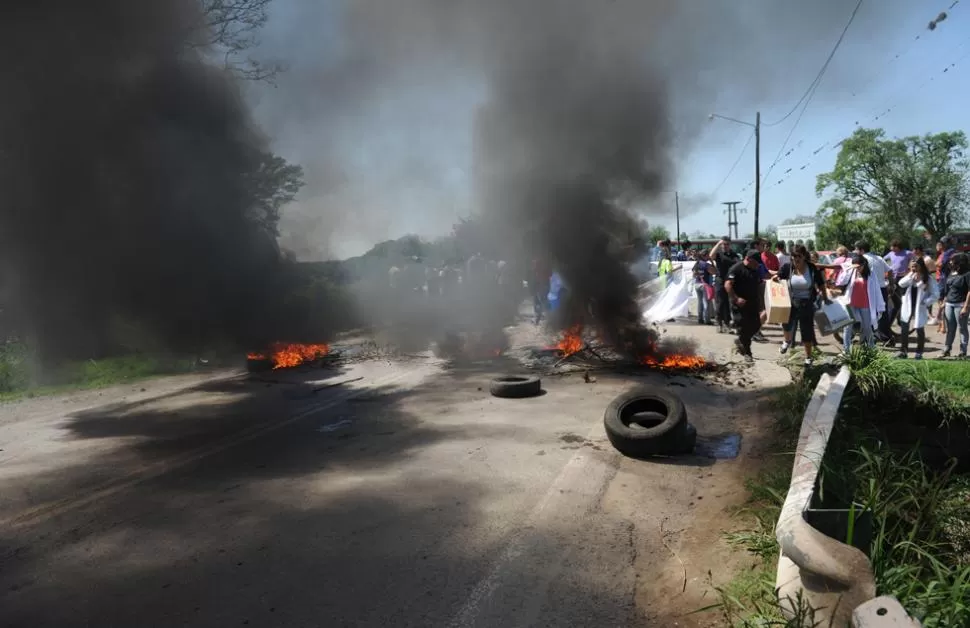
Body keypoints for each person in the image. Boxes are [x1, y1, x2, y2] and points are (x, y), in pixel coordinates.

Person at [773, 244, 828, 367]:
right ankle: (787, 341)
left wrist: (826, 298)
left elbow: (821, 284)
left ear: (804, 256)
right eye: (793, 256)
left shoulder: (812, 268)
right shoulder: (788, 267)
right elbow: (778, 276)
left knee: (806, 330)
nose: (796, 259)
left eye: (799, 256)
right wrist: (776, 278)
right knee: (786, 323)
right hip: (791, 300)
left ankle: (808, 357)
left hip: (807, 302)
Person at [837, 254, 885, 353]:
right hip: (851, 303)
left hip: (865, 304)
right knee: (847, 327)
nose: (857, 269)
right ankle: (846, 350)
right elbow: (840, 281)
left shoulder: (871, 274)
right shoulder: (851, 272)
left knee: (867, 327)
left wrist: (880, 305)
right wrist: (848, 269)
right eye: (855, 267)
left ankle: (871, 348)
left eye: (859, 267)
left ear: (864, 264)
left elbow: (876, 290)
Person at [725, 250, 767, 360]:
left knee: (756, 325)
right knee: (744, 328)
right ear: (748, 259)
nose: (757, 264)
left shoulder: (754, 269)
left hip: (753, 303)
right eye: (756, 262)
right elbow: (728, 285)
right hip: (740, 304)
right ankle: (747, 353)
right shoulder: (736, 269)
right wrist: (736, 298)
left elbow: (758, 282)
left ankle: (740, 341)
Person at [896, 256, 938, 360]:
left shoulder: (928, 278)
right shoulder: (911, 275)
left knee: (919, 328)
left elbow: (935, 294)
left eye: (915, 266)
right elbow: (901, 284)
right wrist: (911, 274)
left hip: (920, 306)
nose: (913, 268)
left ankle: (919, 352)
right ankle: (903, 351)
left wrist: (926, 302)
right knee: (904, 328)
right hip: (908, 305)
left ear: (920, 266)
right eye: (911, 266)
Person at [854, 240, 892, 344]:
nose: (855, 251)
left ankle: (868, 338)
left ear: (861, 250)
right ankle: (886, 337)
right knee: (882, 313)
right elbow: (889, 270)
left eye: (856, 249)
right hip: (882, 288)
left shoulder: (863, 260)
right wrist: (891, 285)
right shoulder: (879, 258)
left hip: (870, 289)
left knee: (868, 313)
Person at [940, 252, 970, 359]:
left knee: (962, 328)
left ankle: (963, 351)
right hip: (949, 303)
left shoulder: (967, 274)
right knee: (950, 328)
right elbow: (948, 289)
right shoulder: (951, 273)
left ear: (959, 262)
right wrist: (944, 301)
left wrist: (966, 306)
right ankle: (947, 349)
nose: (950, 262)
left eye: (952, 260)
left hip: (960, 304)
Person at [711, 237, 739, 333]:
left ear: (730, 245)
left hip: (730, 281)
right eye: (723, 244)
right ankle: (719, 323)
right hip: (720, 280)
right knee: (720, 302)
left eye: (727, 244)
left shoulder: (733, 254)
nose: (725, 246)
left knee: (728, 303)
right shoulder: (719, 254)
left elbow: (738, 264)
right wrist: (718, 244)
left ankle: (727, 324)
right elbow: (711, 255)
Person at [883, 239, 912, 327]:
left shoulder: (907, 253)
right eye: (891, 247)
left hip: (903, 278)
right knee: (894, 300)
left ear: (898, 247)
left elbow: (916, 261)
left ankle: (900, 319)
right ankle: (894, 318)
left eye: (893, 247)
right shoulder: (891, 254)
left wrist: (909, 270)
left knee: (902, 300)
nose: (891, 249)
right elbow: (883, 260)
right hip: (893, 278)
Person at [693, 249, 715, 325]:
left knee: (700, 302)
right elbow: (714, 272)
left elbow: (694, 274)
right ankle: (707, 320)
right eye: (708, 255)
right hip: (705, 285)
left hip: (697, 283)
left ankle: (700, 319)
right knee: (706, 302)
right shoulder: (706, 264)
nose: (709, 256)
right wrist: (712, 262)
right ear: (705, 256)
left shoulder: (697, 263)